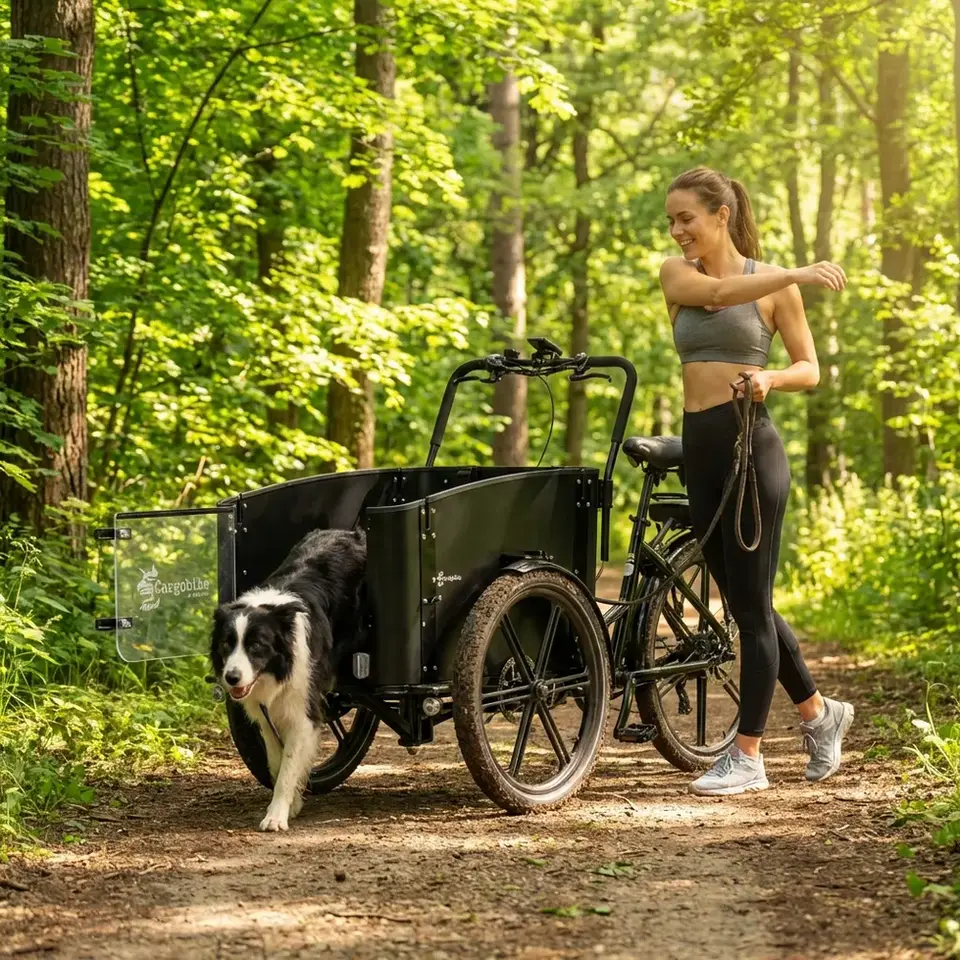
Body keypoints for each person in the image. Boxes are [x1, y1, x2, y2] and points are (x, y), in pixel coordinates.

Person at [659, 165, 854, 796]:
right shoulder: (677, 275)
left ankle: (748, 756)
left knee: (748, 607)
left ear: (720, 213)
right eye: (672, 220)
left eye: (687, 217)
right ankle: (821, 716)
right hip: (701, 447)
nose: (678, 230)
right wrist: (797, 271)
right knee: (750, 602)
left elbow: (810, 368)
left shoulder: (773, 291)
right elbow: (716, 298)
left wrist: (771, 377)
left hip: (752, 444)